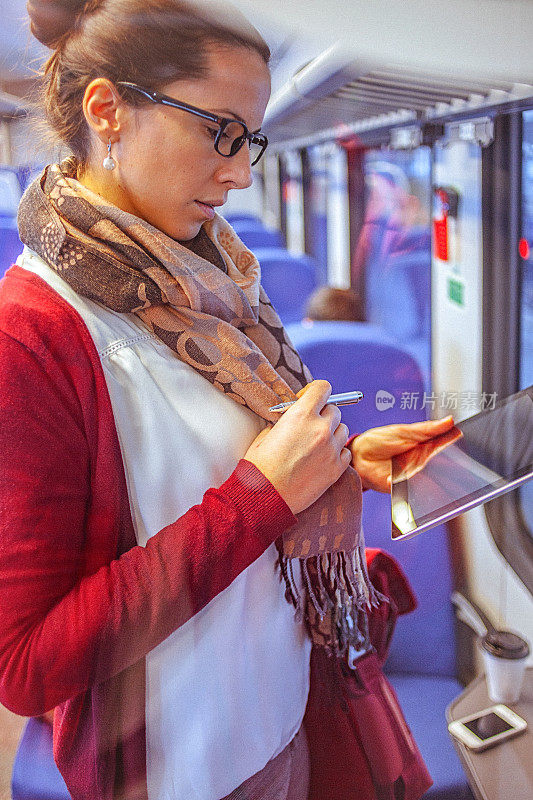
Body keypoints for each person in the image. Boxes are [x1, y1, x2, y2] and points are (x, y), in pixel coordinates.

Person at [0, 2, 455, 798]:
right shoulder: (33, 336)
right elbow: (28, 667)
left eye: (252, 141)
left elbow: (227, 467)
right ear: (107, 110)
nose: (241, 173)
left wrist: (339, 467)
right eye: (220, 131)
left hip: (282, 715)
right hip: (183, 770)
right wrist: (262, 498)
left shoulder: (216, 287)